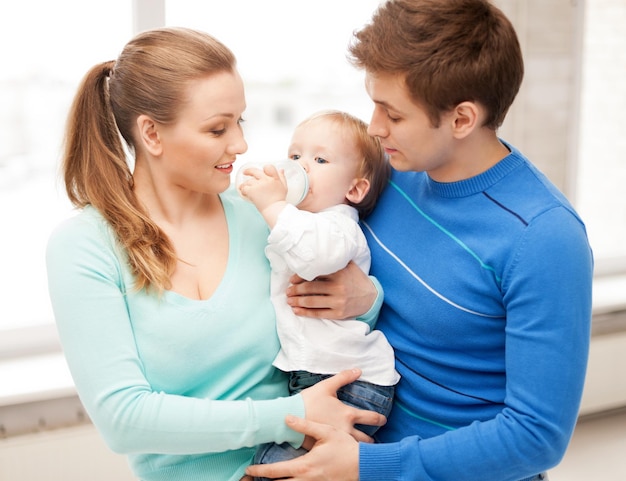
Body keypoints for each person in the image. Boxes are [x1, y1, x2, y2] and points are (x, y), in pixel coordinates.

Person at [245, 1, 594, 481]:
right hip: (351, 438)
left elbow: (536, 437)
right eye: (373, 104)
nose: (373, 127)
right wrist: (370, 299)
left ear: (462, 119)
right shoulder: (384, 172)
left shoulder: (544, 238)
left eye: (392, 113)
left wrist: (370, 466)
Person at [45, 27, 386, 481]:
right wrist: (289, 414)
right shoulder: (85, 246)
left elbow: (328, 321)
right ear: (151, 133)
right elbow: (123, 420)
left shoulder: (260, 219)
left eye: (240, 122)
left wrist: (368, 300)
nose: (240, 144)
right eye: (217, 128)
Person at [237, 110, 400, 476]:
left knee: (275, 469)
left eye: (319, 159)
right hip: (316, 376)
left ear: (355, 189)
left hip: (349, 382)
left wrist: (273, 205)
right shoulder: (299, 220)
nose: (301, 167)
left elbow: (315, 257)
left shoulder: (337, 225)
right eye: (295, 156)